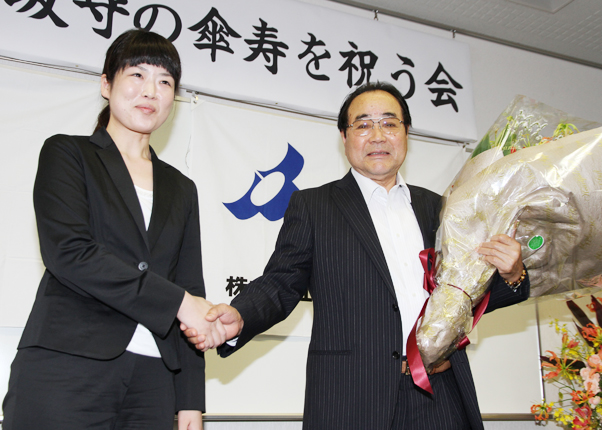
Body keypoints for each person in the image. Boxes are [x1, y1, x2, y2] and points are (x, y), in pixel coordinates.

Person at [186, 82, 530, 429]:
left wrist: (512, 274)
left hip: (440, 395)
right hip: (353, 398)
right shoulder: (314, 207)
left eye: (389, 123)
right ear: (344, 136)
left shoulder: (440, 208)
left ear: (406, 133)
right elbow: (281, 283)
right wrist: (241, 315)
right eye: (363, 125)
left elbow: (468, 294)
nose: (378, 136)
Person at [2, 29, 226, 430]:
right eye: (137, 75)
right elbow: (70, 253)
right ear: (106, 84)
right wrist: (177, 302)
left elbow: (190, 286)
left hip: (154, 382)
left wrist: (191, 399)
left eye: (165, 82)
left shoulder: (181, 188)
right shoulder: (68, 153)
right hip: (67, 365)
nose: (151, 91)